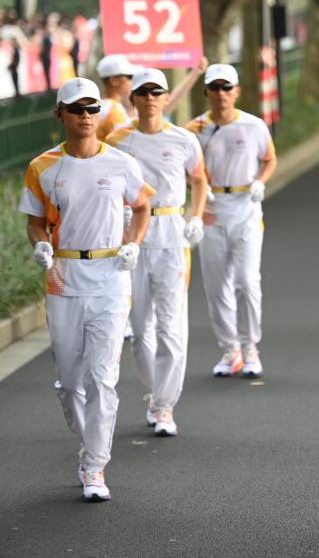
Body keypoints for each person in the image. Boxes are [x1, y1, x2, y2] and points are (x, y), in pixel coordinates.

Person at [19, 77, 154, 501]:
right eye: (77, 109)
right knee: (69, 381)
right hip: (64, 279)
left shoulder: (121, 164)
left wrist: (133, 243)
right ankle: (89, 440)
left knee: (103, 378)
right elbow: (35, 218)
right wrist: (41, 243)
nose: (86, 116)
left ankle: (95, 466)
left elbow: (143, 205)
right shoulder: (43, 167)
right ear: (60, 114)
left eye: (93, 109)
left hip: (111, 277)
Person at [106, 69, 208, 437]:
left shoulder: (183, 140)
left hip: (170, 237)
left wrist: (195, 217)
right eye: (143, 92)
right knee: (139, 330)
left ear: (166, 98)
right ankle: (154, 394)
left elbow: (198, 179)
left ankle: (165, 406)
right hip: (132, 240)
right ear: (132, 98)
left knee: (171, 327)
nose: (150, 98)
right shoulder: (118, 140)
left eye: (157, 92)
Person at [186, 64, 277, 378]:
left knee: (247, 281)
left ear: (236, 91)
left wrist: (260, 182)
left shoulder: (253, 126)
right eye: (215, 88)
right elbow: (185, 170)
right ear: (206, 92)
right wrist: (198, 191)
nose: (221, 94)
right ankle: (230, 350)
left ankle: (251, 347)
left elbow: (269, 158)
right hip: (212, 211)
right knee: (216, 286)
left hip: (246, 209)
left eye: (227, 88)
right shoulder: (194, 130)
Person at [96, 54, 137, 140]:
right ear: (114, 81)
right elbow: (123, 144)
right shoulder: (114, 110)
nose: (132, 82)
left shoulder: (101, 106)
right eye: (129, 77)